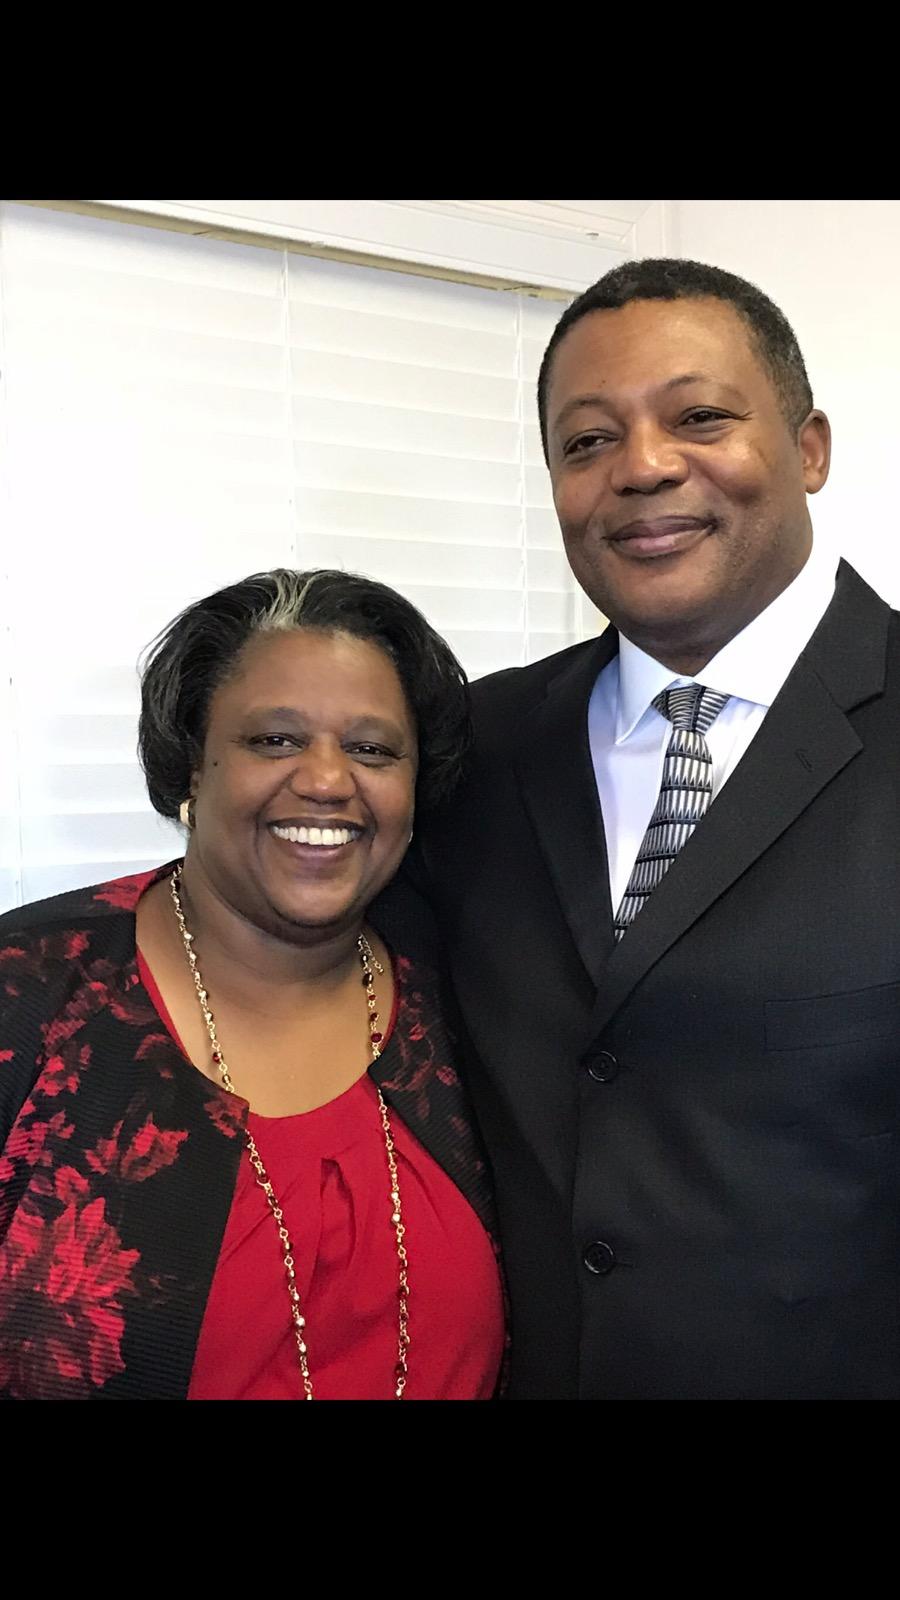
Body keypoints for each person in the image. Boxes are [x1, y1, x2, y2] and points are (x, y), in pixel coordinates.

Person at [377, 258, 900, 1400]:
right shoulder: (478, 744)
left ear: (809, 447)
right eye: (588, 441)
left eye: (699, 417)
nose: (643, 466)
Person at [0, 569, 505, 1401]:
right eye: (274, 739)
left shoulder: (468, 999)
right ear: (191, 767)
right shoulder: (30, 992)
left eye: (373, 749)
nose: (327, 780)